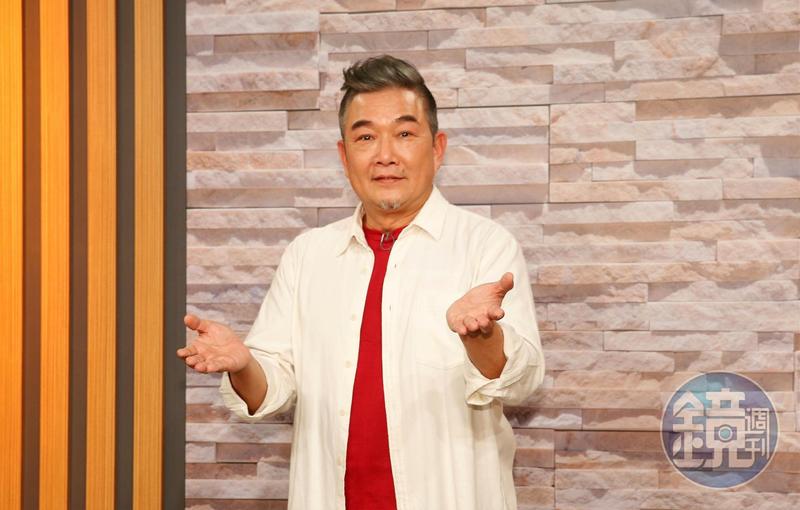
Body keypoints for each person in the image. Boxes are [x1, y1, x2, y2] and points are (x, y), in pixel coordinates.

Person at [178, 55, 545, 510]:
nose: (385, 154)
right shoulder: (308, 255)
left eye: (405, 134)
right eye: (366, 137)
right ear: (344, 155)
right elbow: (271, 387)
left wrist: (482, 335)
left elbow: (522, 382)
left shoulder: (484, 245)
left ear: (437, 148)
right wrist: (243, 366)